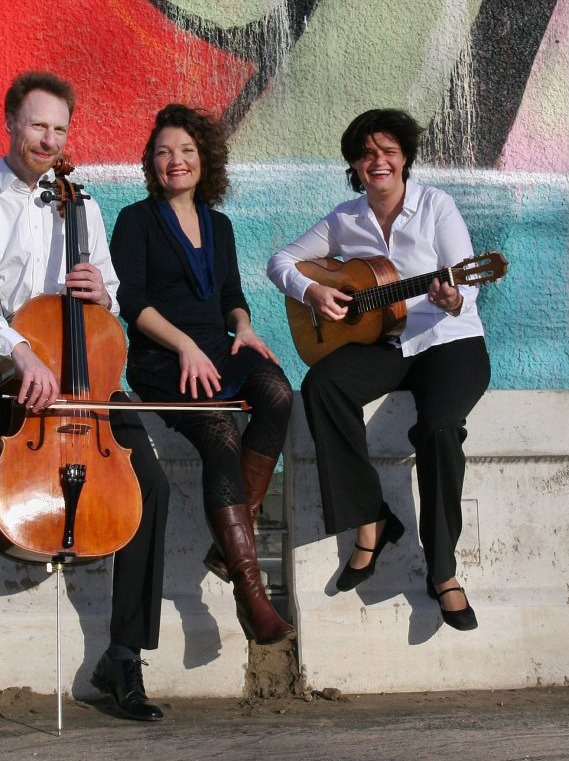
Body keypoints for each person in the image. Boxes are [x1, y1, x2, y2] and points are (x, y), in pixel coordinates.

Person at [0, 71, 170, 746]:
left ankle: (123, 659)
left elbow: (113, 298)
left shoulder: (82, 203)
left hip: (85, 371)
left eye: (60, 128)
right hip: (6, 369)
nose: (50, 139)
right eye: (38, 125)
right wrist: (19, 347)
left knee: (150, 483)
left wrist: (102, 290)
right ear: (10, 121)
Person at [268, 108, 490, 632]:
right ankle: (371, 521)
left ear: (405, 157)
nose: (379, 161)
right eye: (368, 153)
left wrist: (453, 296)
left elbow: (468, 281)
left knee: (438, 429)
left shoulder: (437, 206)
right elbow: (279, 262)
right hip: (389, 345)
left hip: (448, 340)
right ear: (355, 164)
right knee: (323, 384)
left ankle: (443, 571)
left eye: (388, 151)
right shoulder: (345, 219)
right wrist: (314, 290)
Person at [110, 103, 295, 646]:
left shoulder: (220, 225)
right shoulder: (136, 221)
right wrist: (185, 346)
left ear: (204, 159)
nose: (176, 161)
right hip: (162, 357)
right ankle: (251, 592)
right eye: (164, 152)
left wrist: (244, 329)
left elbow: (233, 298)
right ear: (152, 161)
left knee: (278, 393)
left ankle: (226, 545)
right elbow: (132, 301)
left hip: (219, 346)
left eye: (187, 151)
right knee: (219, 435)